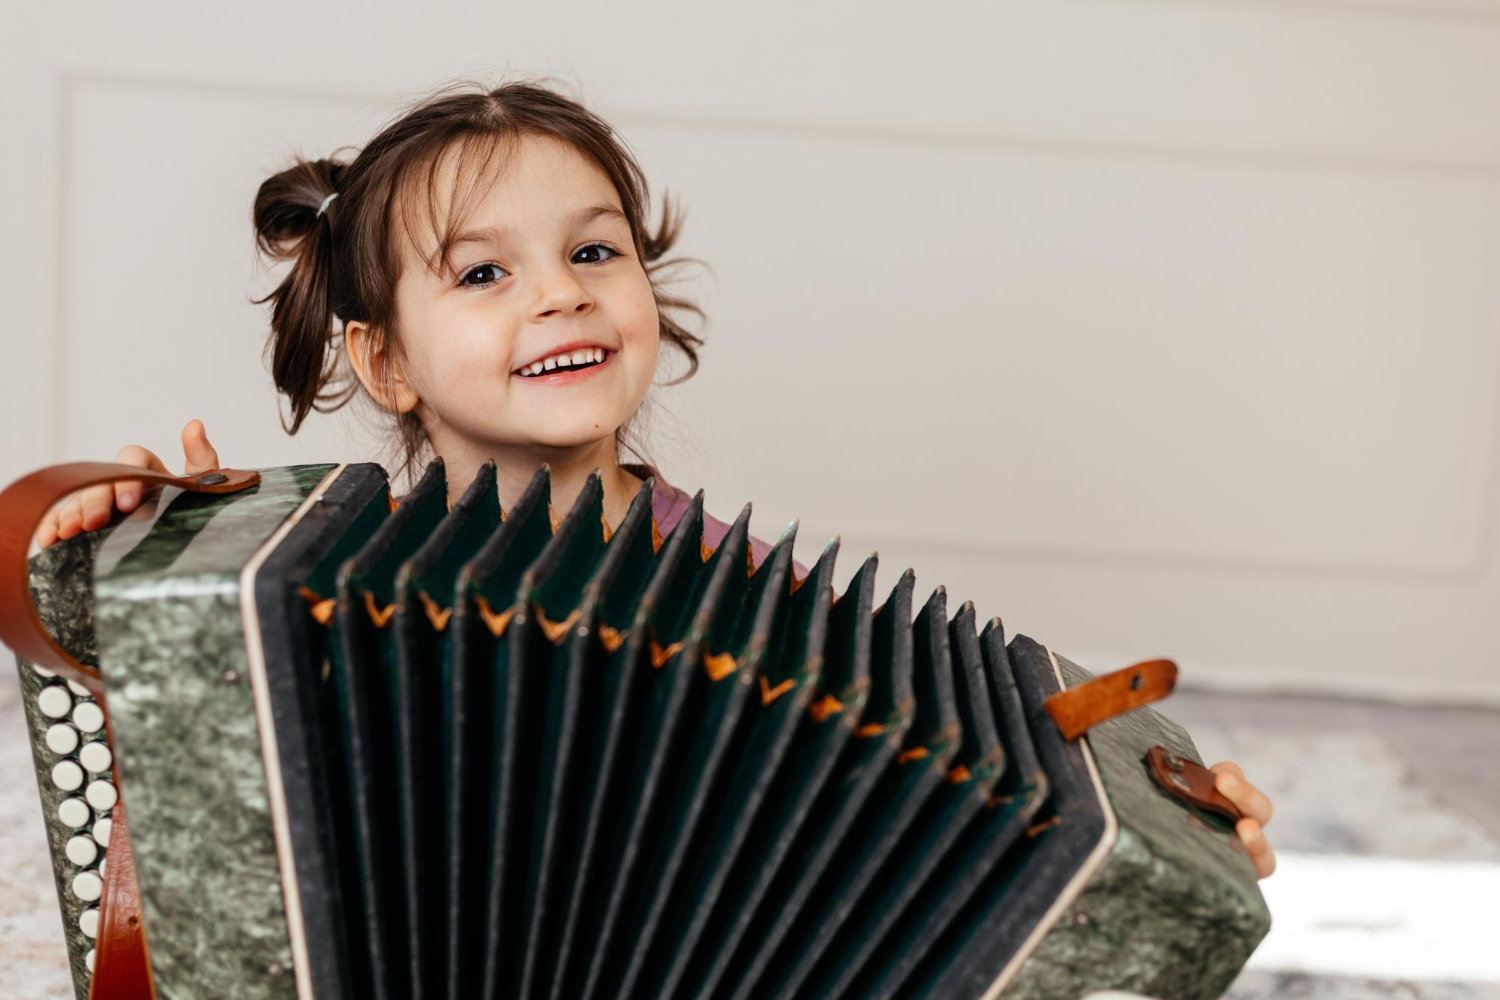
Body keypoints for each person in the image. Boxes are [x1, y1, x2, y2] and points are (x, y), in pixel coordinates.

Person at [30, 77, 1274, 878]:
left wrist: (1157, 836)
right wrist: (126, 547)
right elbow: (96, 663)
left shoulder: (748, 602)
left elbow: (938, 804)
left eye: (591, 250)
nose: (559, 290)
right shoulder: (291, 573)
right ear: (385, 359)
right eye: (482, 274)